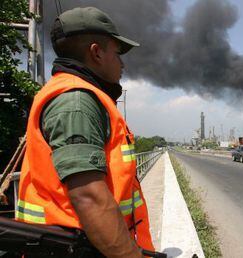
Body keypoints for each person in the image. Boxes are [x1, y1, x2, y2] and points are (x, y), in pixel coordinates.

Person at [16, 7, 154, 258]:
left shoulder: (76, 95)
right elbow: (89, 197)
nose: (122, 63)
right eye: (117, 53)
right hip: (74, 249)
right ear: (96, 52)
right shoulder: (76, 102)